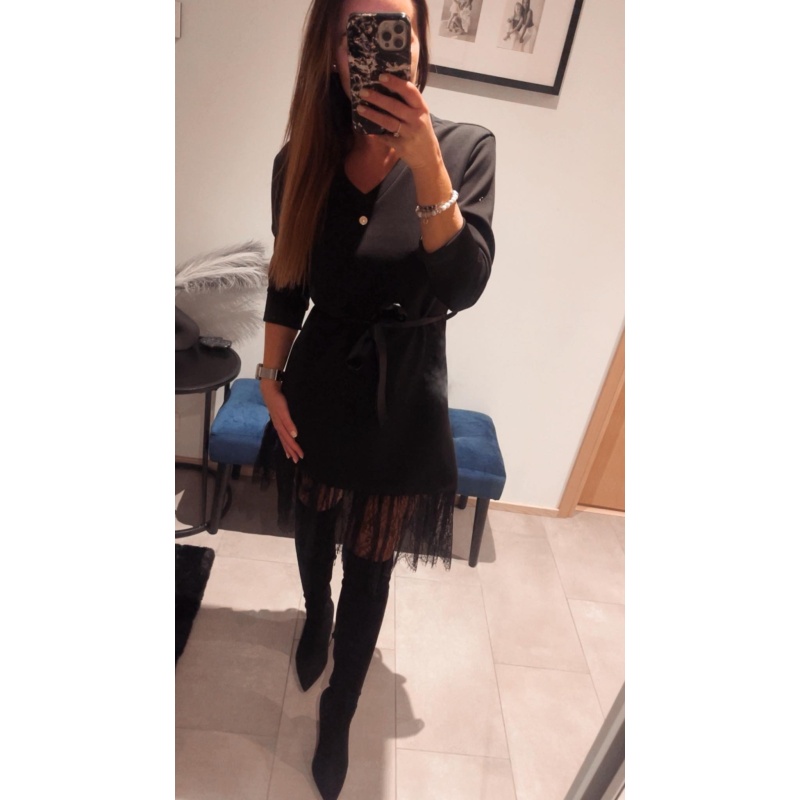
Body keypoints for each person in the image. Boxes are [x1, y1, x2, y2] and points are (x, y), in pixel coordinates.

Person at [258, 0, 495, 797]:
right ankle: (314, 613)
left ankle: (339, 714)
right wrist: (268, 379)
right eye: (354, 33)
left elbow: (462, 284)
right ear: (331, 54)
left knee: (371, 566)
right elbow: (287, 281)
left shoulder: (465, 150)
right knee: (312, 530)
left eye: (397, 28)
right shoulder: (300, 160)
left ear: (420, 43)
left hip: (403, 400)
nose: (378, 47)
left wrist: (424, 161)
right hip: (318, 385)